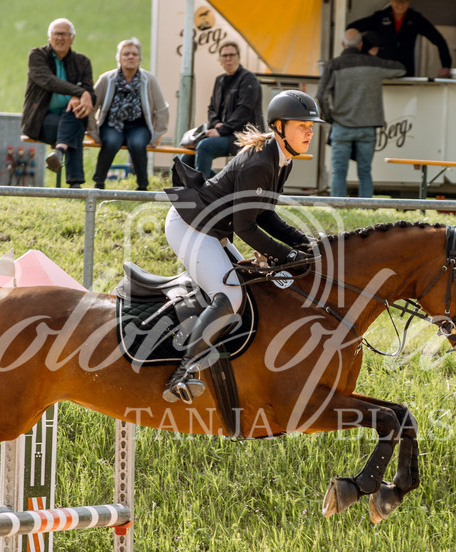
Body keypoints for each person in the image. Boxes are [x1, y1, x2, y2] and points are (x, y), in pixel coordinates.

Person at [162, 90, 323, 403]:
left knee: (248, 287)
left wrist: (308, 244)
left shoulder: (282, 160)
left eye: (311, 126)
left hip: (212, 229)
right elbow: (245, 226)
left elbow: (266, 216)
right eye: (301, 125)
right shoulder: (259, 163)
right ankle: (182, 372)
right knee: (231, 294)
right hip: (189, 226)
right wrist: (289, 255)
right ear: (279, 127)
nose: (309, 132)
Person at [317, 29, 404, 197]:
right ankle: (365, 207)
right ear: (361, 44)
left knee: (339, 171)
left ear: (343, 44)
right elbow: (400, 69)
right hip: (367, 127)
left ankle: (338, 208)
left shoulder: (334, 65)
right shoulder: (373, 63)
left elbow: (321, 96)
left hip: (341, 126)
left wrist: (330, 117)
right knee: (365, 171)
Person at [21, 18, 94, 188]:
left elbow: (91, 96)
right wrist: (78, 92)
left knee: (75, 115)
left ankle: (59, 152)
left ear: (72, 38)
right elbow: (48, 81)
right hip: (41, 119)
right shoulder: (37, 56)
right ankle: (75, 184)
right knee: (75, 127)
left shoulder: (82, 62)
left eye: (64, 34)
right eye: (56, 34)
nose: (60, 38)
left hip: (68, 118)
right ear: (49, 37)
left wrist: (82, 96)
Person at [89, 37, 168, 191]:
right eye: (126, 54)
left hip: (139, 125)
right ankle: (99, 183)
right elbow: (90, 106)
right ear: (119, 58)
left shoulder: (149, 80)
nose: (130, 57)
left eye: (134, 54)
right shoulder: (106, 79)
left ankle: (142, 185)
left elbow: (162, 109)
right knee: (111, 142)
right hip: (111, 124)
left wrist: (158, 134)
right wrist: (92, 131)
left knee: (137, 144)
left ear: (139, 58)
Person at [181, 40, 262, 179]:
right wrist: (216, 124)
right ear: (220, 59)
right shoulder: (220, 80)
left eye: (232, 55)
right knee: (186, 158)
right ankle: (212, 185)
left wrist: (220, 130)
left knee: (205, 147)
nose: (228, 59)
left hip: (245, 137)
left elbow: (244, 111)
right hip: (225, 133)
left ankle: (202, 193)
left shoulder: (249, 80)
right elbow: (212, 108)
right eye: (224, 56)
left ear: (239, 57)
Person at [347, 0, 451, 78]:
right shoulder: (380, 17)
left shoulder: (415, 19)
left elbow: (439, 40)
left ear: (409, 1)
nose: (400, 5)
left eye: (404, 1)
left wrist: (446, 65)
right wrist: (368, 48)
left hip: (406, 69)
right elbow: (351, 28)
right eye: (397, 1)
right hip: (383, 67)